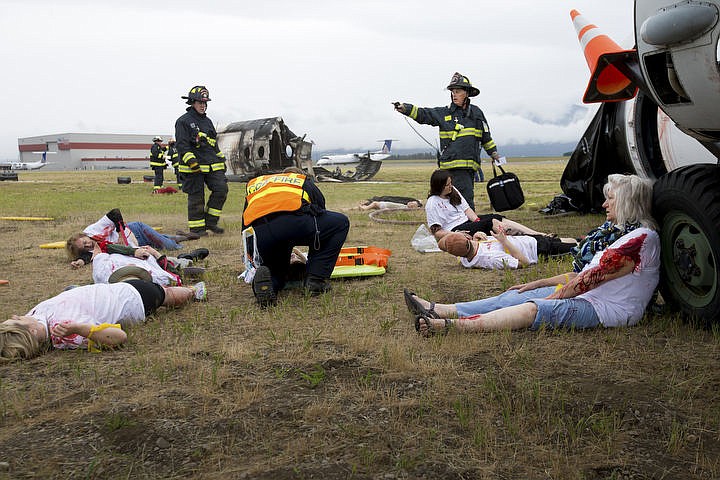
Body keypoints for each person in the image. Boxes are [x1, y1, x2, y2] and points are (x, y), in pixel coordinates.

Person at [404, 174, 660, 335]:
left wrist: (553, 296)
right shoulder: (620, 233)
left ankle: (451, 327)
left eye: (611, 199)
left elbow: (588, 280)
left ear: (626, 203)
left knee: (533, 308)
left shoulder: (639, 240)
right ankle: (440, 309)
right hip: (590, 292)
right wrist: (537, 283)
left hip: (605, 308)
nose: (604, 204)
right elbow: (582, 274)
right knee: (516, 294)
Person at [0, 280, 207, 362]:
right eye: (17, 320)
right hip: (132, 299)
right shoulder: (66, 333)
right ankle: (193, 292)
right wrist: (80, 328)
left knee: (163, 290)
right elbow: (119, 337)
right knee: (167, 295)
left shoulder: (35, 317)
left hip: (112, 288)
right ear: (33, 333)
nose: (15, 316)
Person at [242, 168, 350, 306]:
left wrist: (253, 253)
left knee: (276, 271)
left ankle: (270, 285)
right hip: (296, 223)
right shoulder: (300, 180)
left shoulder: (256, 184)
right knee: (340, 223)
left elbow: (245, 223)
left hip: (261, 232)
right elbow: (320, 209)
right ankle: (315, 280)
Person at [394, 72, 500, 210]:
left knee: (464, 202)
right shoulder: (444, 113)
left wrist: (494, 153)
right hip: (446, 169)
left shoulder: (476, 113)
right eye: (452, 92)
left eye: (458, 91)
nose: (454, 94)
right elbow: (424, 114)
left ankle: (467, 228)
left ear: (466, 93)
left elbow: (486, 136)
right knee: (444, 202)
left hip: (465, 170)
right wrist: (406, 108)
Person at [425, 169, 551, 241]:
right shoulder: (432, 203)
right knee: (491, 222)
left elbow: (467, 210)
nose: (450, 186)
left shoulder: (454, 191)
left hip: (468, 221)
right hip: (455, 229)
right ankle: (532, 239)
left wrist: (477, 221)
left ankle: (537, 234)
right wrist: (455, 235)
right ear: (439, 186)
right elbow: (437, 232)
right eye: (447, 185)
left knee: (496, 217)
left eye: (451, 183)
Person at [175, 85, 228, 236]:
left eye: (205, 103)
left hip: (212, 164)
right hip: (193, 168)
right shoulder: (183, 121)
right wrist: (192, 162)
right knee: (196, 197)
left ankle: (210, 221)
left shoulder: (208, 121)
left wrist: (221, 160)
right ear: (192, 102)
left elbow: (213, 143)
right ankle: (198, 229)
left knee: (221, 190)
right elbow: (182, 145)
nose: (203, 105)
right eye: (200, 102)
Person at [438, 229, 577, 270]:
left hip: (529, 240)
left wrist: (477, 235)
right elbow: (524, 262)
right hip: (538, 250)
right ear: (466, 240)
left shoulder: (466, 254)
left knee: (571, 240)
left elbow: (466, 252)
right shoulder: (491, 259)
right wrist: (504, 241)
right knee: (576, 247)